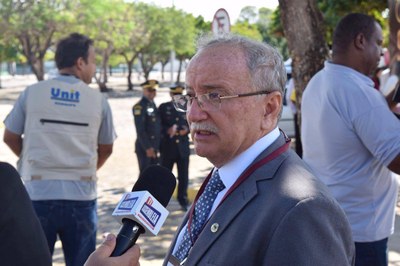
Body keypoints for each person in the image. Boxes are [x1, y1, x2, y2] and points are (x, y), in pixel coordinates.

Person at [155, 34, 353, 265]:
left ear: (269, 108)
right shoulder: (224, 173)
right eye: (190, 97)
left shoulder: (303, 211)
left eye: (214, 95)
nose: (193, 114)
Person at [3, 33, 117, 266]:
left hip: (37, 194)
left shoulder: (31, 93)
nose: (94, 68)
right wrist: (85, 167)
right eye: (93, 61)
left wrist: (33, 160)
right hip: (81, 196)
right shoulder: (98, 100)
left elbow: (10, 137)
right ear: (80, 62)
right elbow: (106, 147)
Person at [301, 13, 400, 266]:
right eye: (378, 43)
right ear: (360, 41)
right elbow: (396, 158)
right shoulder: (356, 91)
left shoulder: (320, 81)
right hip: (361, 232)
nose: (380, 53)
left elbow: (354, 125)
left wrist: (387, 105)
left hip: (329, 223)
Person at [159, 84, 191, 211]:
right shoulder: (163, 107)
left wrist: (187, 130)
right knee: (165, 176)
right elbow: (158, 127)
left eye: (179, 95)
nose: (177, 97)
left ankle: (183, 199)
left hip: (182, 147)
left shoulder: (187, 106)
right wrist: (168, 130)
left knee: (183, 176)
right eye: (174, 95)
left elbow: (192, 123)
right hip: (168, 148)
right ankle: (161, 201)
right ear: (170, 94)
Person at [132, 79, 161, 174]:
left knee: (153, 175)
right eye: (149, 90)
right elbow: (140, 130)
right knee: (144, 175)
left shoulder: (152, 104)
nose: (152, 93)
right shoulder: (139, 107)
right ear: (144, 90)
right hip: (145, 147)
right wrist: (148, 148)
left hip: (154, 146)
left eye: (154, 90)